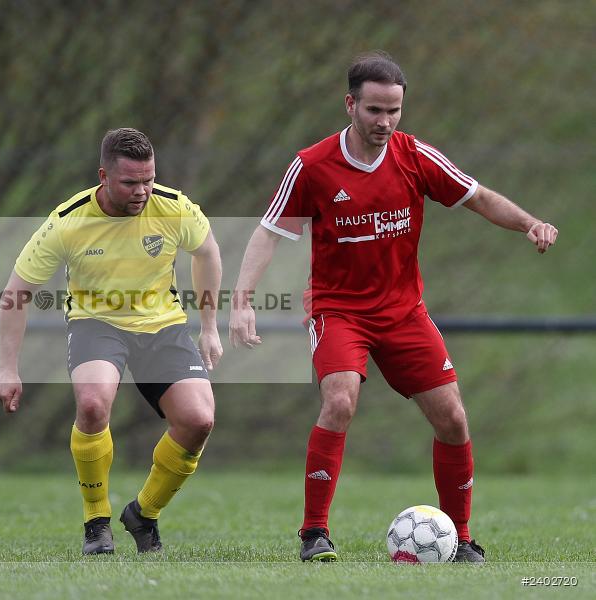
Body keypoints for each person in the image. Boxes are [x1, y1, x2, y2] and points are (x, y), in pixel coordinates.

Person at [229, 51, 557, 563]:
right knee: (340, 402)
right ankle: (314, 533)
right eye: (374, 110)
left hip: (403, 311)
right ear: (350, 106)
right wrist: (242, 300)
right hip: (337, 309)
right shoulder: (312, 166)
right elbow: (270, 231)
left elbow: (479, 197)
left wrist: (530, 223)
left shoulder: (415, 156)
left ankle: (462, 537)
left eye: (394, 111)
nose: (384, 122)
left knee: (452, 418)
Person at [0, 128, 222, 554]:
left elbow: (207, 251)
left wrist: (208, 327)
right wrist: (8, 367)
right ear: (103, 176)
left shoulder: (174, 208)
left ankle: (143, 514)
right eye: (130, 182)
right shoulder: (68, 222)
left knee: (198, 421)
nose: (142, 191)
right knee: (94, 404)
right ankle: (96, 520)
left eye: (148, 180)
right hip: (97, 323)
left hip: (163, 325)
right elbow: (16, 292)